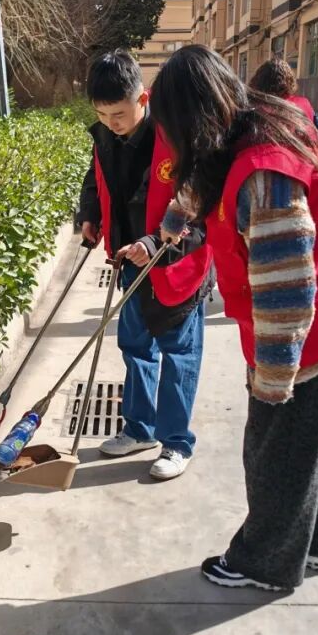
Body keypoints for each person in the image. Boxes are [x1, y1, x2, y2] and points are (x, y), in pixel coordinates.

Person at [150, 45, 318, 592]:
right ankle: (315, 547)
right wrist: (171, 226)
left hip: (313, 326)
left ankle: (265, 564)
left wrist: (272, 380)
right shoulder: (248, 125)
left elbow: (288, 291)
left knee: (276, 455)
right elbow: (203, 180)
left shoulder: (262, 174)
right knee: (314, 448)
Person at [76, 51, 215, 480]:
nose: (111, 123)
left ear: (143, 98)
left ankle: (176, 442)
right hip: (132, 265)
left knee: (178, 354)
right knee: (135, 348)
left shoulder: (179, 137)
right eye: (102, 114)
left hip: (176, 267)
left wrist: (154, 243)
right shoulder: (105, 137)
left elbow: (199, 217)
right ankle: (139, 429)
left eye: (118, 113)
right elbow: (95, 180)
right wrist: (90, 216)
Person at [249, 56, 318, 142]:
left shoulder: (258, 108)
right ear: (290, 81)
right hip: (304, 149)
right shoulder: (304, 103)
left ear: (259, 81)